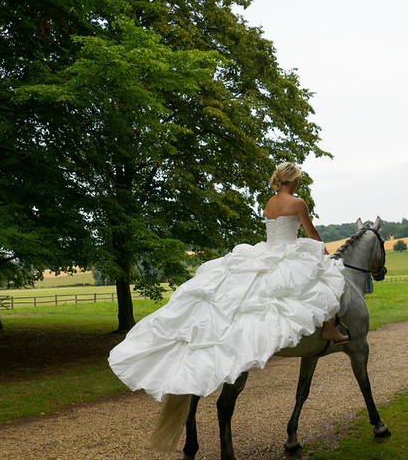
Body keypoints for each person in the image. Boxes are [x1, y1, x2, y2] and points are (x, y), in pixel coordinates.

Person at [109, 162, 347, 402]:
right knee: (328, 275)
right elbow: (311, 232)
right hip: (288, 251)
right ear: (293, 180)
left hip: (269, 250)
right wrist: (325, 254)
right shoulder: (298, 203)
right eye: (298, 179)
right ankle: (328, 329)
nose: (298, 183)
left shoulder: (270, 202)